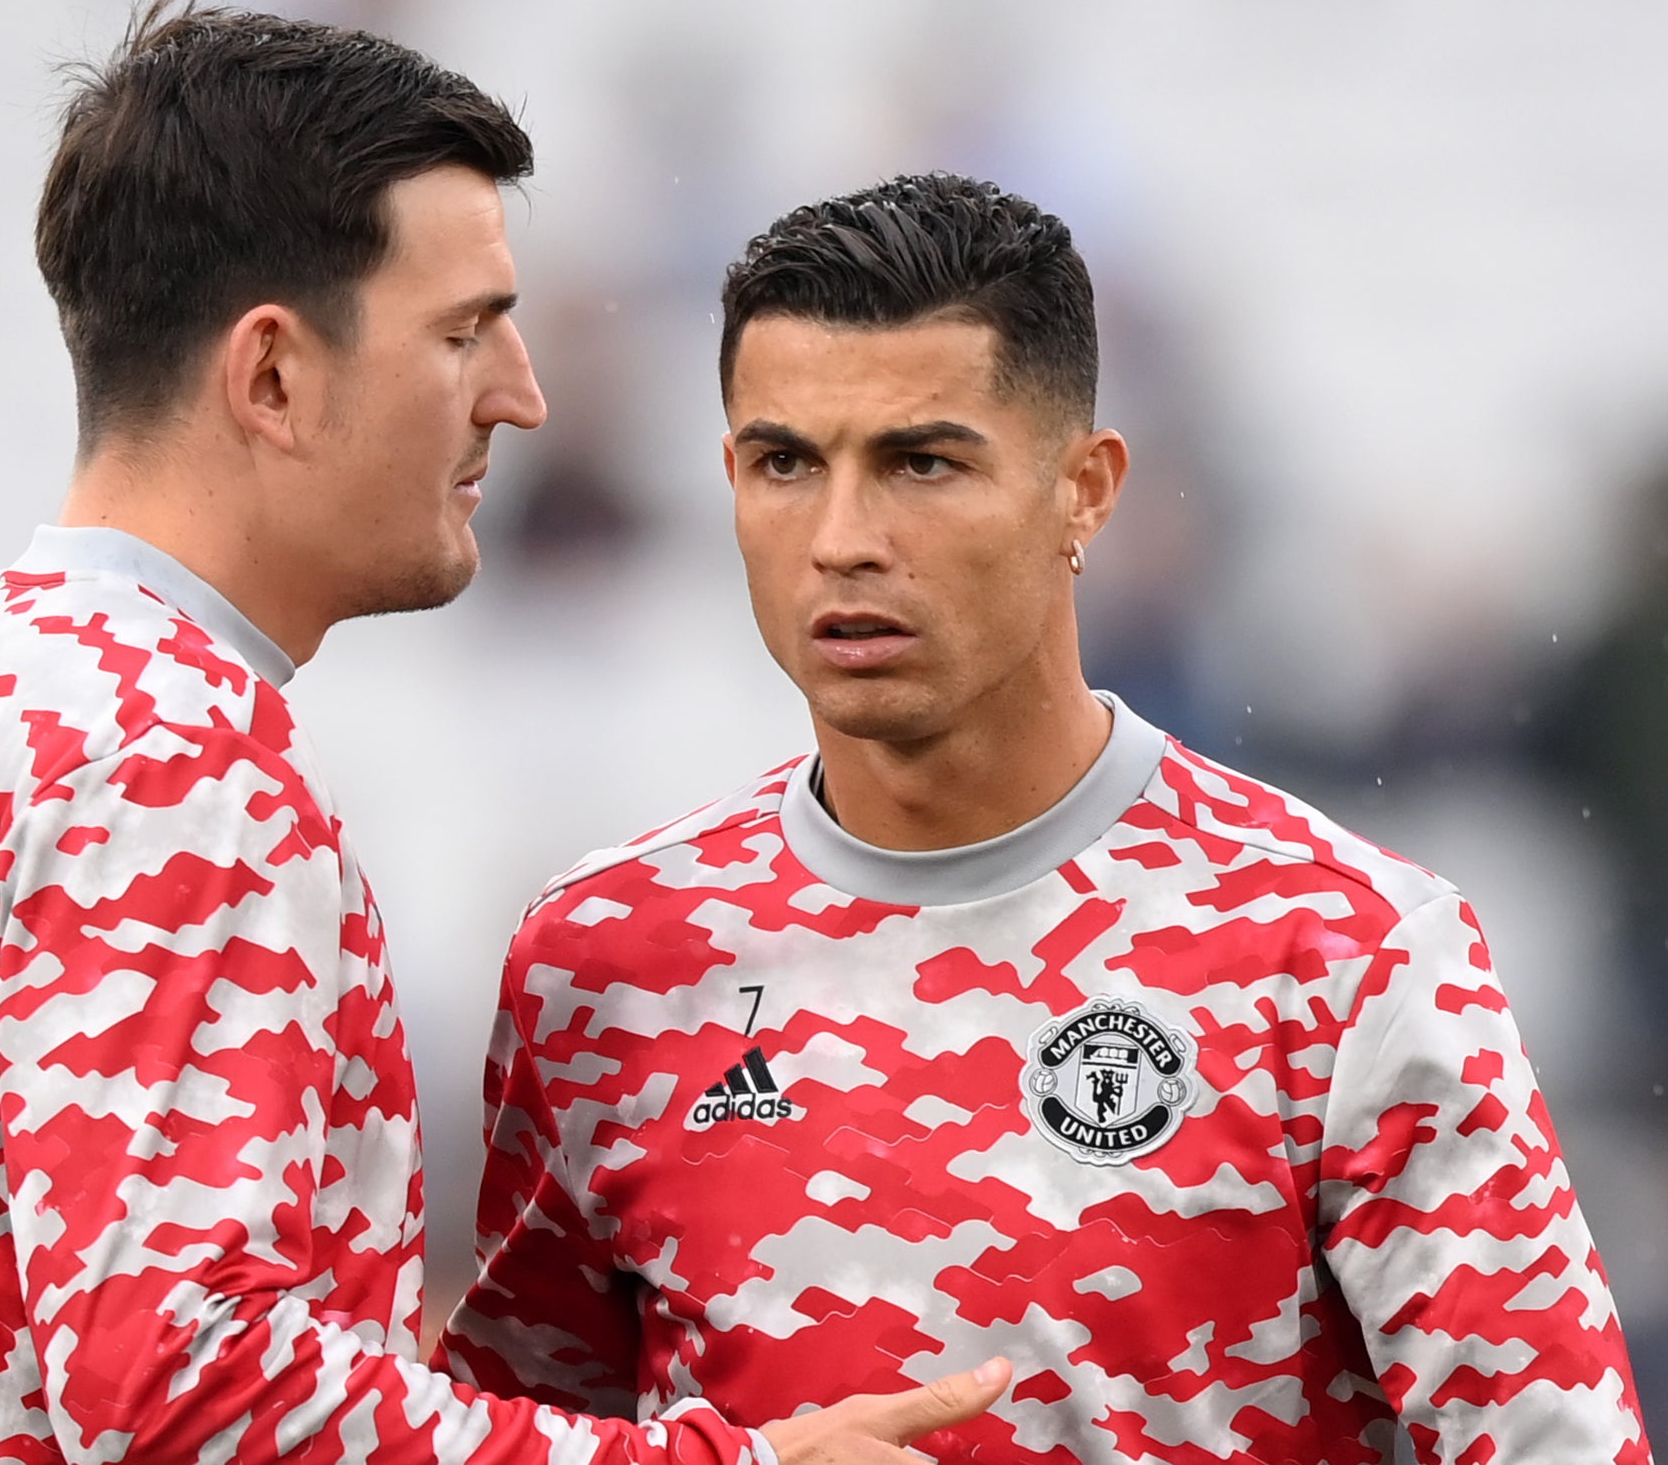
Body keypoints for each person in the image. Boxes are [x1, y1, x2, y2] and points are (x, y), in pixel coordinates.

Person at [0, 6, 1013, 1465]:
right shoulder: (167, 758)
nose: (519, 396)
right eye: (462, 334)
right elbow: (186, 1388)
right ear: (271, 376)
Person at [434, 172, 1656, 1465]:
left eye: (921, 462)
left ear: (1083, 490)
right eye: (786, 462)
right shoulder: (602, 964)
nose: (842, 536)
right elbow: (522, 1440)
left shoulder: (1342, 951)